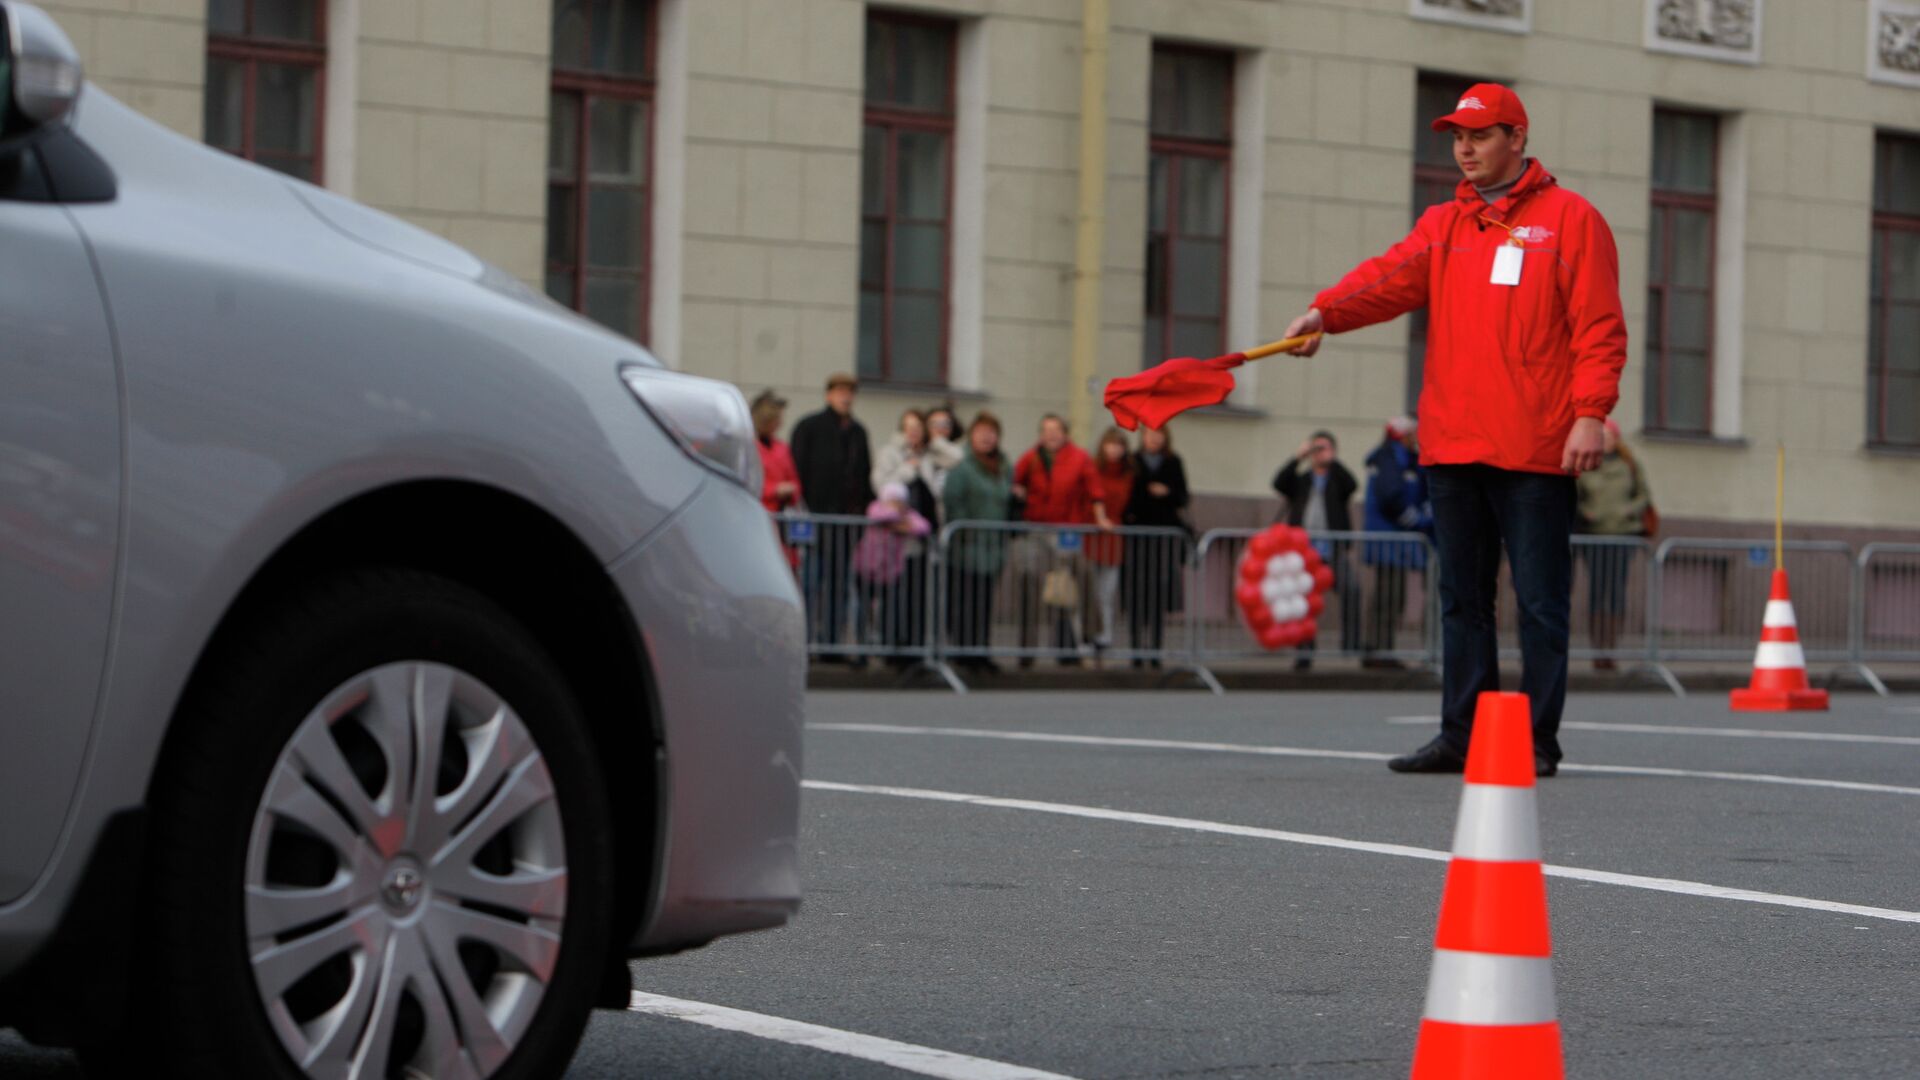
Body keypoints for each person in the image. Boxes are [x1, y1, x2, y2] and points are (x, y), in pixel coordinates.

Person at [1280, 83, 1627, 776]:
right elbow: (1386, 278)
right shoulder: (1444, 224)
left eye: (1481, 134)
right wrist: (1325, 312)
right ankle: (1460, 736)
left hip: (1534, 447)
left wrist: (1590, 414)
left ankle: (1535, 742)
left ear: (1517, 138)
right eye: (1457, 137)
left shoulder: (1572, 220)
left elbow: (1600, 329)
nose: (1464, 148)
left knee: (1540, 603)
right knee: (1463, 601)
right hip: (1453, 443)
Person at [1012, 415, 1113, 667]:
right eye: (1046, 430)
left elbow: (1095, 491)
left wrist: (1100, 517)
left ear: (1065, 433)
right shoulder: (1031, 457)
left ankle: (1092, 637)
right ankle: (1027, 649)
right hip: (1035, 529)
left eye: (1056, 430)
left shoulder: (1079, 458)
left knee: (1081, 579)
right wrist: (1017, 493)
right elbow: (1014, 482)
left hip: (1068, 531)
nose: (1051, 435)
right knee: (1029, 582)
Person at [790, 373, 874, 656]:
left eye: (849, 392)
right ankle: (806, 640)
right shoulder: (810, 427)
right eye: (839, 391)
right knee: (812, 583)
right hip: (817, 521)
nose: (845, 397)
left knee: (839, 586)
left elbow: (864, 476)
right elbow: (797, 470)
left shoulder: (858, 432)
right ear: (828, 394)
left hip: (846, 525)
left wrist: (862, 514)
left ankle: (832, 642)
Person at [871, 409, 960, 656]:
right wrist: (908, 468)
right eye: (909, 428)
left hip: (923, 533)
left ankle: (917, 646)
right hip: (897, 535)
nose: (913, 433)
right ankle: (893, 646)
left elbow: (956, 457)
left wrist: (936, 439)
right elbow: (882, 485)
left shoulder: (929, 455)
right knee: (896, 593)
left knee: (920, 594)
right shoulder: (890, 453)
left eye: (918, 428)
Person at [1271, 430, 1361, 668]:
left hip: (1334, 550)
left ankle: (1350, 645)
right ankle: (1304, 652)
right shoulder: (1302, 480)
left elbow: (1352, 485)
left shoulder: (1337, 479)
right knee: (1304, 602)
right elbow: (1279, 483)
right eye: (1317, 448)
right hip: (1304, 552)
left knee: (1352, 591)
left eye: (1326, 448)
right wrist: (1297, 457)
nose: (1320, 453)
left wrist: (1334, 461)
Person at [1576, 418, 1655, 671]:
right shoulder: (1586, 464)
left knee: (1616, 593)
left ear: (1616, 439)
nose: (1605, 440)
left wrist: (1628, 510)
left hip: (1623, 535)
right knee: (1598, 593)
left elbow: (1644, 496)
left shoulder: (1629, 465)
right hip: (1594, 536)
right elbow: (1574, 497)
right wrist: (1587, 512)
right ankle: (1598, 651)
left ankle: (1611, 650)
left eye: (1609, 436)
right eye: (1601, 436)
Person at [940, 412, 1014, 673]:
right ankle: (963, 652)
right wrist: (965, 531)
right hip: (967, 548)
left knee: (984, 604)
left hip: (992, 549)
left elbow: (1007, 503)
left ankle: (981, 651)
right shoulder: (963, 467)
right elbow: (953, 502)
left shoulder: (1004, 468)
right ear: (972, 435)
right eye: (982, 431)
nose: (987, 437)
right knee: (965, 602)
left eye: (992, 432)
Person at [1361, 416, 1434, 668]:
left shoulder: (1400, 458)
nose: (1417, 438)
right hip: (1389, 541)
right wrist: (1416, 520)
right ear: (1402, 436)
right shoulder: (1390, 459)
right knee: (1389, 596)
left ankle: (1378, 649)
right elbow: (1391, 497)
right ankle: (1378, 651)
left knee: (1390, 595)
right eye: (1414, 433)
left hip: (1393, 542)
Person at [1122, 424, 1190, 667]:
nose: (1154, 439)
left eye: (1158, 435)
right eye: (1150, 434)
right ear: (1143, 437)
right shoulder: (1133, 461)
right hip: (1138, 537)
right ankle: (1136, 650)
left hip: (1163, 538)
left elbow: (1183, 497)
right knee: (1137, 596)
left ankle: (1156, 650)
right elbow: (1126, 497)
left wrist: (1167, 492)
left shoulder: (1173, 462)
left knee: (1158, 598)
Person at [851, 481, 932, 667]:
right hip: (866, 567)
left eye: (899, 500)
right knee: (863, 610)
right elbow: (877, 514)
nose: (896, 503)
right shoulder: (877, 507)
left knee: (890, 611)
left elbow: (923, 527)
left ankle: (886, 649)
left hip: (891, 571)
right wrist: (898, 518)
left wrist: (902, 521)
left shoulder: (906, 513)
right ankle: (861, 650)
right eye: (892, 499)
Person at [1089, 428, 1136, 653]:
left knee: (1107, 591)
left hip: (1114, 536)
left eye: (1119, 445)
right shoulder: (1093, 469)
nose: (1114, 449)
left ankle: (1105, 635)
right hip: (1092, 535)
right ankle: (1087, 636)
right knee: (1088, 590)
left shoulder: (1128, 474)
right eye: (1110, 444)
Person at [752, 389, 802, 570]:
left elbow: (795, 481)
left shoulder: (782, 448)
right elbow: (747, 482)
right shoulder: (749, 447)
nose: (780, 423)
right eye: (776, 419)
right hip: (760, 518)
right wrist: (774, 489)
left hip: (782, 521)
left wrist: (792, 490)